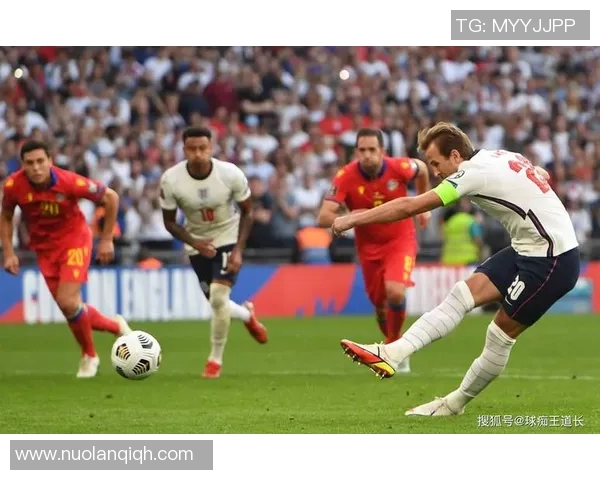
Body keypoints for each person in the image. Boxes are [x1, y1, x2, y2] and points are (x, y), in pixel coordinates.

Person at [333, 122, 580, 416]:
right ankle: (391, 352)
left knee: (499, 335)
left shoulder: (470, 174)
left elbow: (410, 206)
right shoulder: (499, 155)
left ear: (455, 156)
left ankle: (454, 404)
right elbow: (541, 174)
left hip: (553, 259)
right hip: (528, 247)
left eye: (436, 163)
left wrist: (353, 219)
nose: (435, 172)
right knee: (460, 295)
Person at [0, 140, 132, 378]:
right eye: (30, 163)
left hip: (74, 241)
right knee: (69, 306)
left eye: (40, 161)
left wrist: (106, 239)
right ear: (22, 165)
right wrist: (8, 252)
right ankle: (115, 326)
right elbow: (7, 215)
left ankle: (90, 356)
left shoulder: (69, 182)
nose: (36, 167)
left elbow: (110, 197)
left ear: (50, 161)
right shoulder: (13, 186)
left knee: (68, 301)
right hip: (45, 249)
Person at [317, 128, 431, 373]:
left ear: (383, 151)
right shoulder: (345, 176)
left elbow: (422, 168)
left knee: (395, 292)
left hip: (400, 239)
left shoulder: (399, 167)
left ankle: (394, 348)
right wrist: (352, 216)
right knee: (380, 305)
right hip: (368, 247)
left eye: (372, 150)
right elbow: (323, 217)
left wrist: (424, 205)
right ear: (356, 152)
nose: (367, 155)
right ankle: (394, 344)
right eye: (362, 150)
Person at [159, 127, 268, 379]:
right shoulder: (171, 180)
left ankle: (214, 360)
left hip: (227, 235)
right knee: (217, 302)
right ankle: (247, 315)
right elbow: (170, 222)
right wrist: (195, 243)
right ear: (184, 149)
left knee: (218, 296)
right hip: (197, 241)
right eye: (192, 149)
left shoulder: (230, 174)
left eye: (202, 148)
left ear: (211, 148)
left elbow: (248, 212)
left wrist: (238, 250)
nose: (197, 154)